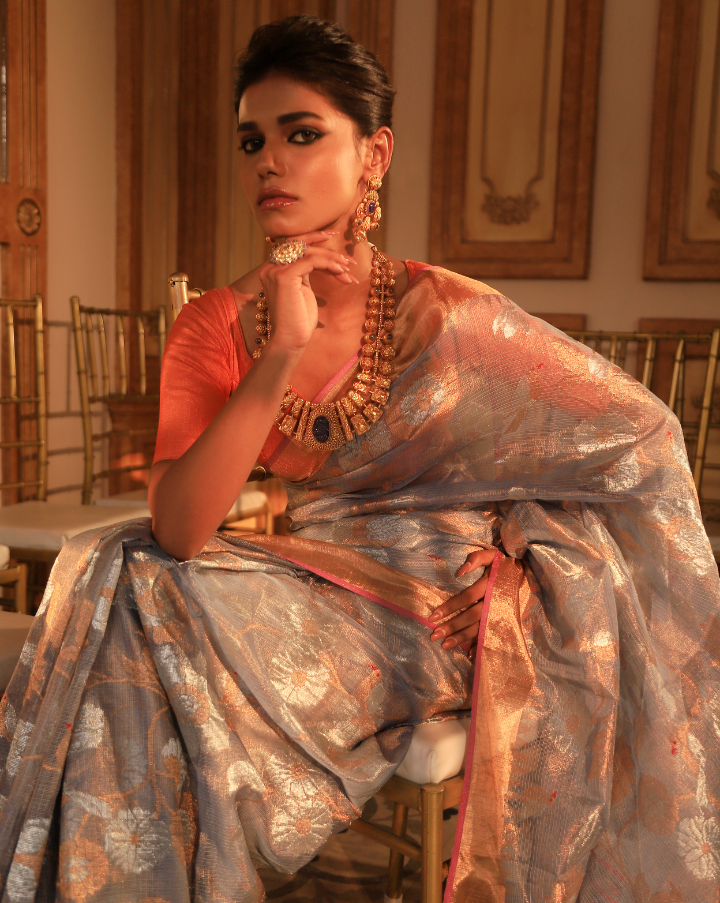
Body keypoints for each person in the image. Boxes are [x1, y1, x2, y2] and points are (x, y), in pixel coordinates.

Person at [1, 15, 719, 903]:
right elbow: (181, 529)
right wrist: (274, 358)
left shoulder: (447, 313)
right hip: (307, 594)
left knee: (126, 597)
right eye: (252, 140)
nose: (269, 161)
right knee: (113, 567)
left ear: (373, 154)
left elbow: (638, 442)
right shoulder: (215, 325)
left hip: (436, 611)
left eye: (303, 134)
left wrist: (524, 567)